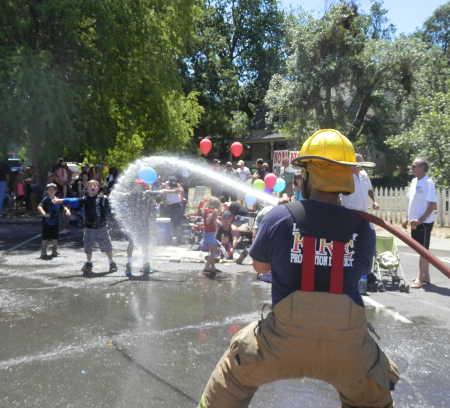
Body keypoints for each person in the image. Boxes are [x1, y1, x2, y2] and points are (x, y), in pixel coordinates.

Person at [198, 129, 399, 408]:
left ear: (307, 175)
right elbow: (361, 269)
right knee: (375, 389)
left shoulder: (280, 217)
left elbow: (259, 265)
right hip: (347, 348)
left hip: (281, 342)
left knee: (233, 370)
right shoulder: (363, 227)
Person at [55, 180, 117, 276]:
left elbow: (113, 204)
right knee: (88, 246)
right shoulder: (84, 199)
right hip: (89, 227)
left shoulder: (103, 199)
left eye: (95, 185)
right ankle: (88, 263)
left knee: (107, 246)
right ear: (87, 189)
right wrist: (61, 200)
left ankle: (111, 262)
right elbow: (73, 201)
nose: (93, 187)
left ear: (98, 188)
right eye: (90, 185)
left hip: (102, 227)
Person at [403, 158, 437, 289]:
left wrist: (420, 220)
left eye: (414, 166)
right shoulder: (414, 181)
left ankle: (420, 279)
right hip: (414, 223)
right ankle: (426, 276)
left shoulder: (428, 183)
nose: (412, 168)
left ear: (423, 168)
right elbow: (412, 202)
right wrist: (407, 218)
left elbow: (432, 205)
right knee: (422, 249)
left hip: (423, 223)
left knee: (422, 251)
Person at [37, 183, 70, 259]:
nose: (51, 191)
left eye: (53, 189)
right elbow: (39, 207)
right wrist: (44, 213)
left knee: (55, 238)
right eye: (49, 189)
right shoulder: (45, 199)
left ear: (56, 191)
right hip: (47, 222)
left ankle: (54, 251)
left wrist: (67, 210)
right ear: (47, 191)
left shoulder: (57, 200)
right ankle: (43, 252)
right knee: (45, 238)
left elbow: (64, 206)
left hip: (55, 222)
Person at [201, 197, 222, 277]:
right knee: (214, 250)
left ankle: (212, 267)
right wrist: (213, 214)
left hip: (210, 233)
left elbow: (213, 221)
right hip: (209, 233)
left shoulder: (209, 210)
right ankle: (206, 267)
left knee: (212, 250)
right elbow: (207, 221)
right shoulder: (210, 211)